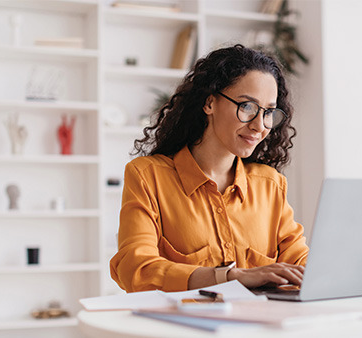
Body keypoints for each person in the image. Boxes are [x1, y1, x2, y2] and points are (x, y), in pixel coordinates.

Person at [110, 44, 308, 293]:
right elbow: (136, 269)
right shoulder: (148, 176)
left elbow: (300, 264)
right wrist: (231, 277)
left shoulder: (270, 184)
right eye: (247, 106)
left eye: (268, 112)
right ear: (209, 103)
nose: (260, 126)